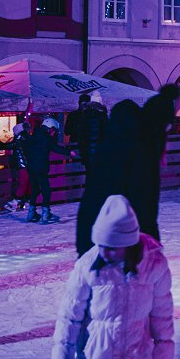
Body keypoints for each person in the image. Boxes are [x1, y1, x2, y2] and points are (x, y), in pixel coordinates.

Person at [50, 195, 173, 359]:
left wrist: (161, 355)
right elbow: (70, 315)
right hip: (96, 357)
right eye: (101, 244)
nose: (103, 252)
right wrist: (64, 358)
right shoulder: (88, 264)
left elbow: (162, 313)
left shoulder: (154, 264)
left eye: (111, 246)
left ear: (128, 242)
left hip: (134, 357)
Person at [77, 99, 136, 256]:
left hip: (92, 160)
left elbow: (81, 137)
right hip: (103, 162)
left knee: (92, 194)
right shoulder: (104, 118)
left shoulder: (84, 117)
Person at [135, 84, 180, 242]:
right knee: (150, 198)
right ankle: (150, 239)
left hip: (145, 148)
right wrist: (161, 152)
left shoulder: (153, 101)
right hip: (151, 149)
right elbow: (164, 127)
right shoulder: (165, 104)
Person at [24, 116, 69, 224]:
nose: (54, 134)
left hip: (31, 167)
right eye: (54, 131)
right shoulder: (46, 138)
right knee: (46, 190)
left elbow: (26, 148)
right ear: (50, 128)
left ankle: (31, 212)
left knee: (34, 189)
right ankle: (46, 213)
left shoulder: (33, 136)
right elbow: (55, 148)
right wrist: (68, 152)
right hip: (41, 167)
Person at [67, 91, 109, 162]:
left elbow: (67, 131)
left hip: (78, 146)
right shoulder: (100, 114)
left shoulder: (74, 115)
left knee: (78, 167)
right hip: (92, 148)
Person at [4, 115, 32, 213]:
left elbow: (10, 146)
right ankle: (28, 202)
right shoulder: (27, 138)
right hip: (29, 164)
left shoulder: (20, 138)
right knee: (27, 183)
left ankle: (15, 202)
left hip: (23, 165)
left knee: (23, 183)